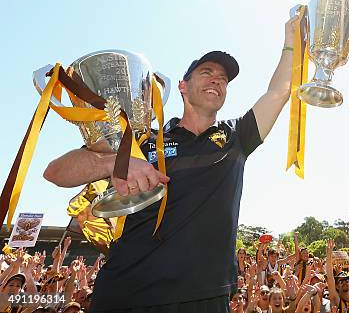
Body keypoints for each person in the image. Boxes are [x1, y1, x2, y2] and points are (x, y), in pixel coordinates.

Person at [43, 18, 299, 312]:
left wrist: (291, 40)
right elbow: (56, 172)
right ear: (182, 86)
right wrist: (118, 162)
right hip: (126, 291)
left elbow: (279, 91)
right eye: (207, 72)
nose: (218, 80)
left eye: (224, 79)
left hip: (205, 297)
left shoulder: (236, 137)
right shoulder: (143, 139)